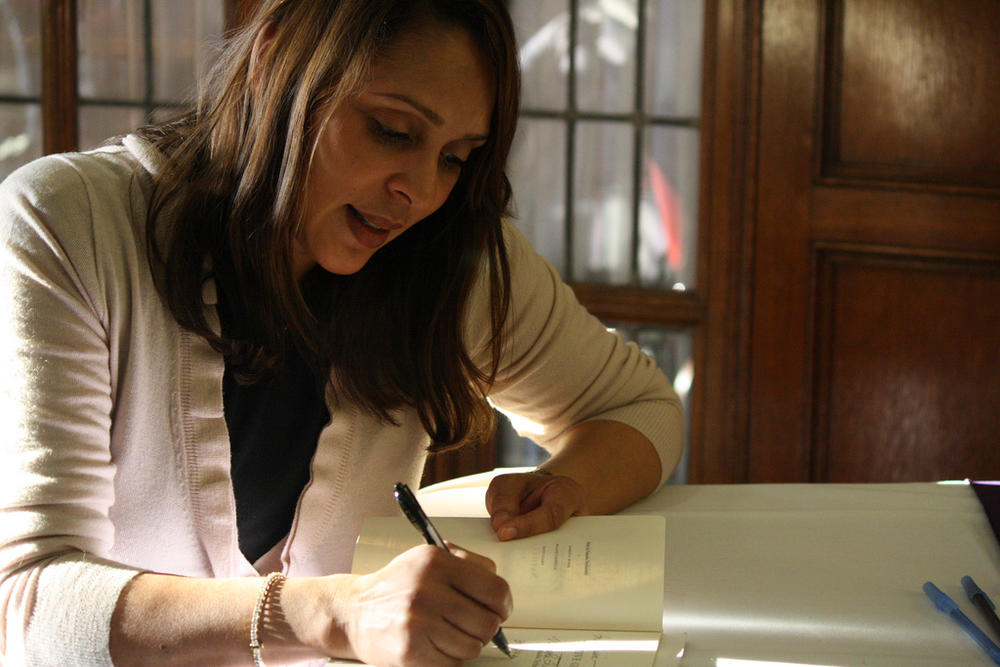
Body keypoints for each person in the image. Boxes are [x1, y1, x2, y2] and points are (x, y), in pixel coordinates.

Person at [0, 0, 683, 665]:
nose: (419, 191)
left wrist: (568, 485)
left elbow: (639, 409)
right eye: (392, 129)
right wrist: (338, 614)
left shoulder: (452, 265)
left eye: (456, 157)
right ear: (274, 63)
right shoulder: (68, 226)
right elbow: (27, 602)